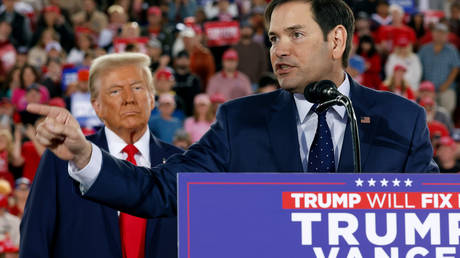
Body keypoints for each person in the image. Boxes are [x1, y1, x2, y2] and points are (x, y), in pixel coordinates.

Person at [29, 0, 438, 220]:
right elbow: (159, 192)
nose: (279, 49)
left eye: (296, 35)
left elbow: (429, 222)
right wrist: (85, 155)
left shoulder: (400, 119)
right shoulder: (239, 120)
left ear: (336, 41)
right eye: (274, 38)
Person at [20, 53, 183, 258]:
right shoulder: (61, 158)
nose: (129, 99)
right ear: (97, 107)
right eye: (115, 91)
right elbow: (36, 238)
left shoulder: (184, 164)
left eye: (137, 87)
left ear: (152, 99)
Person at [418, 22, 460, 116]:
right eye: (438, 32)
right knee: (424, 113)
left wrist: (446, 84)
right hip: (427, 89)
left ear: (447, 35)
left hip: (446, 88)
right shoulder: (424, 49)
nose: (440, 35)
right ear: (433, 33)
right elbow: (418, 67)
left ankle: (446, 129)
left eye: (443, 33)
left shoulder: (452, 50)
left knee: (447, 108)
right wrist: (423, 86)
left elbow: (456, 68)